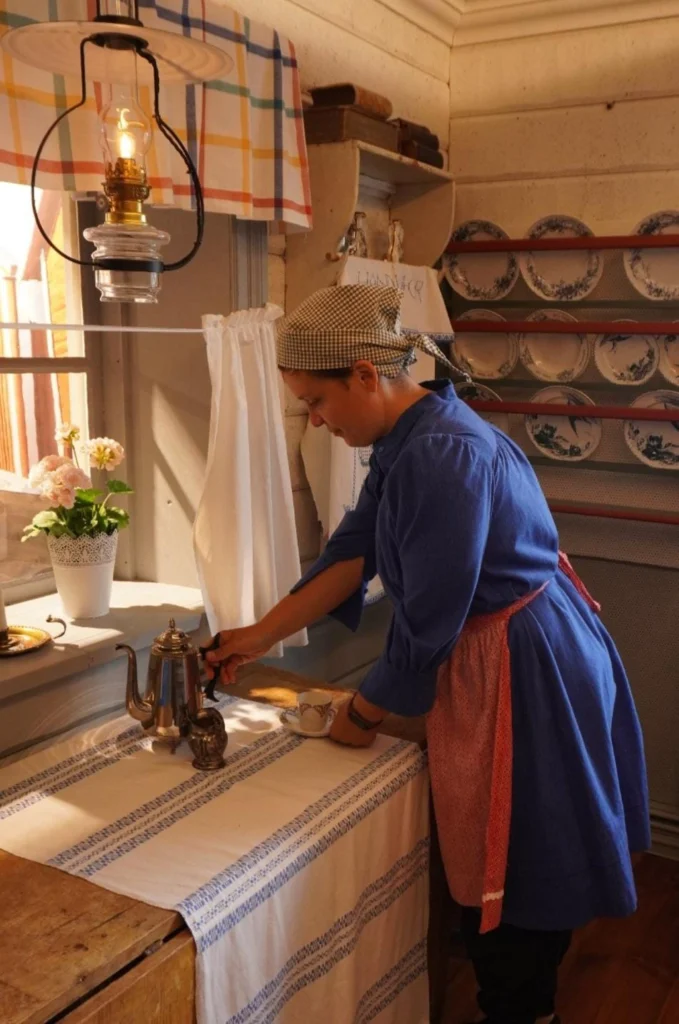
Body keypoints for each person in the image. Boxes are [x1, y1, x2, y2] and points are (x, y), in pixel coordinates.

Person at [205, 285, 650, 1024]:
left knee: (526, 851)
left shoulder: (440, 453)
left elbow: (428, 618)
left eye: (316, 401)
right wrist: (255, 637)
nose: (315, 420)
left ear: (363, 374)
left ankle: (522, 1009)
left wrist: (362, 712)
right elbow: (353, 553)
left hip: (522, 661)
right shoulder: (408, 437)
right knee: (516, 843)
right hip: (512, 642)